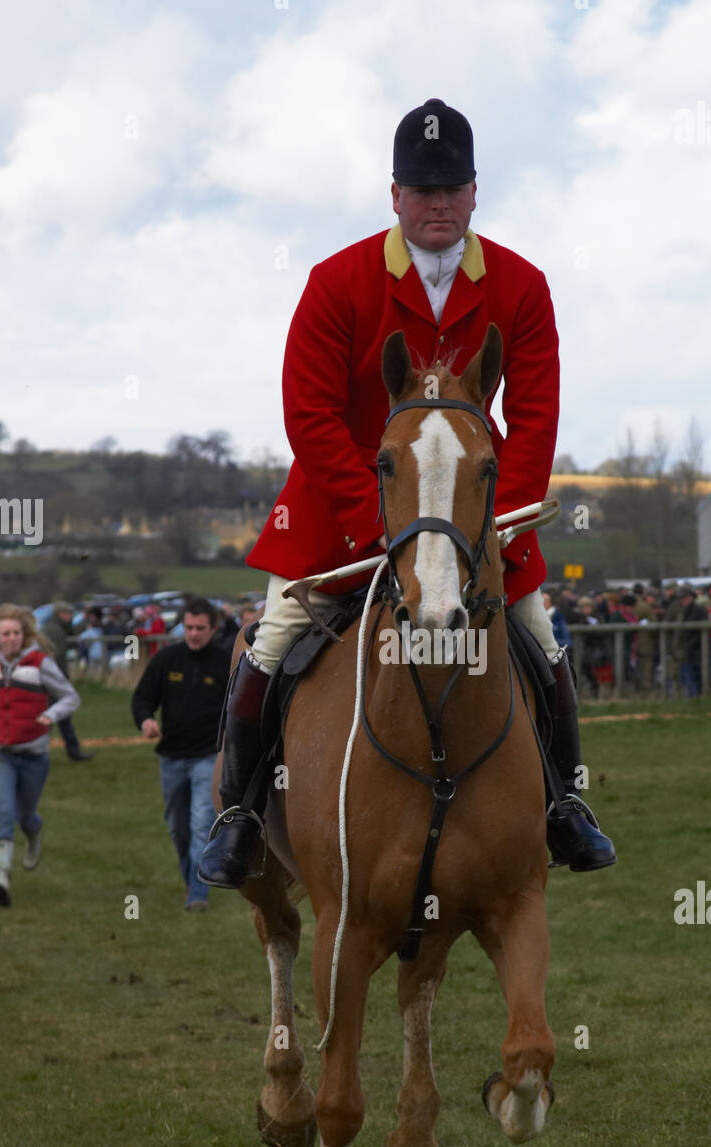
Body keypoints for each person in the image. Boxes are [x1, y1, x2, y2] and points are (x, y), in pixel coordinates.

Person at [200, 97, 615, 887]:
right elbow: (309, 413)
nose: (437, 203)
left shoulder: (522, 286)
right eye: (421, 190)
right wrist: (376, 527)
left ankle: (565, 804)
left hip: (472, 521)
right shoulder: (336, 281)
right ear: (394, 195)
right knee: (273, 639)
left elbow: (533, 417)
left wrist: (498, 525)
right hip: (341, 518)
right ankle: (240, 813)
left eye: (451, 188)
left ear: (473, 191)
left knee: (539, 636)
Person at [0, 604, 80, 907]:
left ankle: (34, 834)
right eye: (4, 634)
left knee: (25, 815)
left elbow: (70, 697)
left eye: (15, 633)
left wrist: (51, 715)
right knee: (4, 811)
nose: (10, 639)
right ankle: (1, 877)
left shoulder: (40, 663)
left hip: (34, 755)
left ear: (23, 635)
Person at [130, 598, 231, 911]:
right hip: (171, 756)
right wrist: (146, 719)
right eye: (189, 627)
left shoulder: (226, 661)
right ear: (182, 627)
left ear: (212, 629)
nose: (194, 634)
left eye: (201, 628)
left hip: (207, 756)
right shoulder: (167, 660)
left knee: (202, 822)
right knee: (177, 826)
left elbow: (237, 707)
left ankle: (198, 895)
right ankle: (192, 878)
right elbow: (143, 698)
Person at [42, 601, 95, 761]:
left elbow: (71, 632)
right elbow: (57, 658)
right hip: (54, 681)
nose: (70, 617)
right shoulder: (55, 631)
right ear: (60, 615)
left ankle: (73, 752)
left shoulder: (55, 628)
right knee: (49, 719)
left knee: (61, 718)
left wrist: (84, 619)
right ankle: (36, 752)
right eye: (68, 614)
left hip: (52, 680)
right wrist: (61, 680)